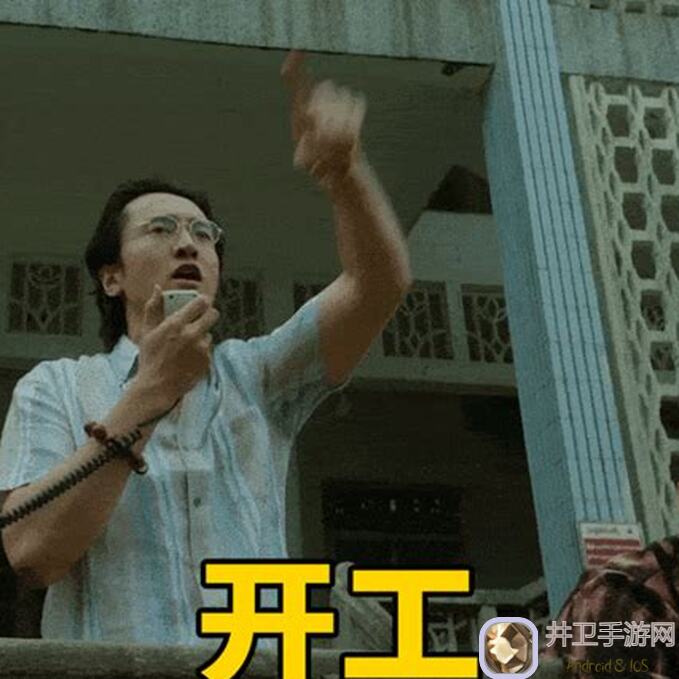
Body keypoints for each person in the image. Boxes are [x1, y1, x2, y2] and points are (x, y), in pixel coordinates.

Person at [0, 51, 411, 644]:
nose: (188, 244)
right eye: (160, 229)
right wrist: (151, 391)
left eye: (204, 234)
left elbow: (379, 286)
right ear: (111, 277)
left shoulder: (258, 374)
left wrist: (345, 175)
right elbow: (32, 552)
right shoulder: (55, 387)